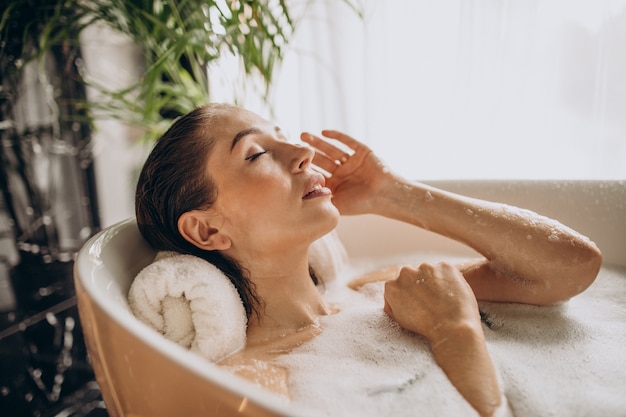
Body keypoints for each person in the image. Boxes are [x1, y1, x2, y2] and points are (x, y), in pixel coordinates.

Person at [135, 103, 602, 417]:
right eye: (257, 154)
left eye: (284, 138)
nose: (303, 152)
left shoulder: (374, 291)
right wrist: (454, 334)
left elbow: (571, 266)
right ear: (208, 230)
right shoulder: (254, 384)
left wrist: (394, 194)